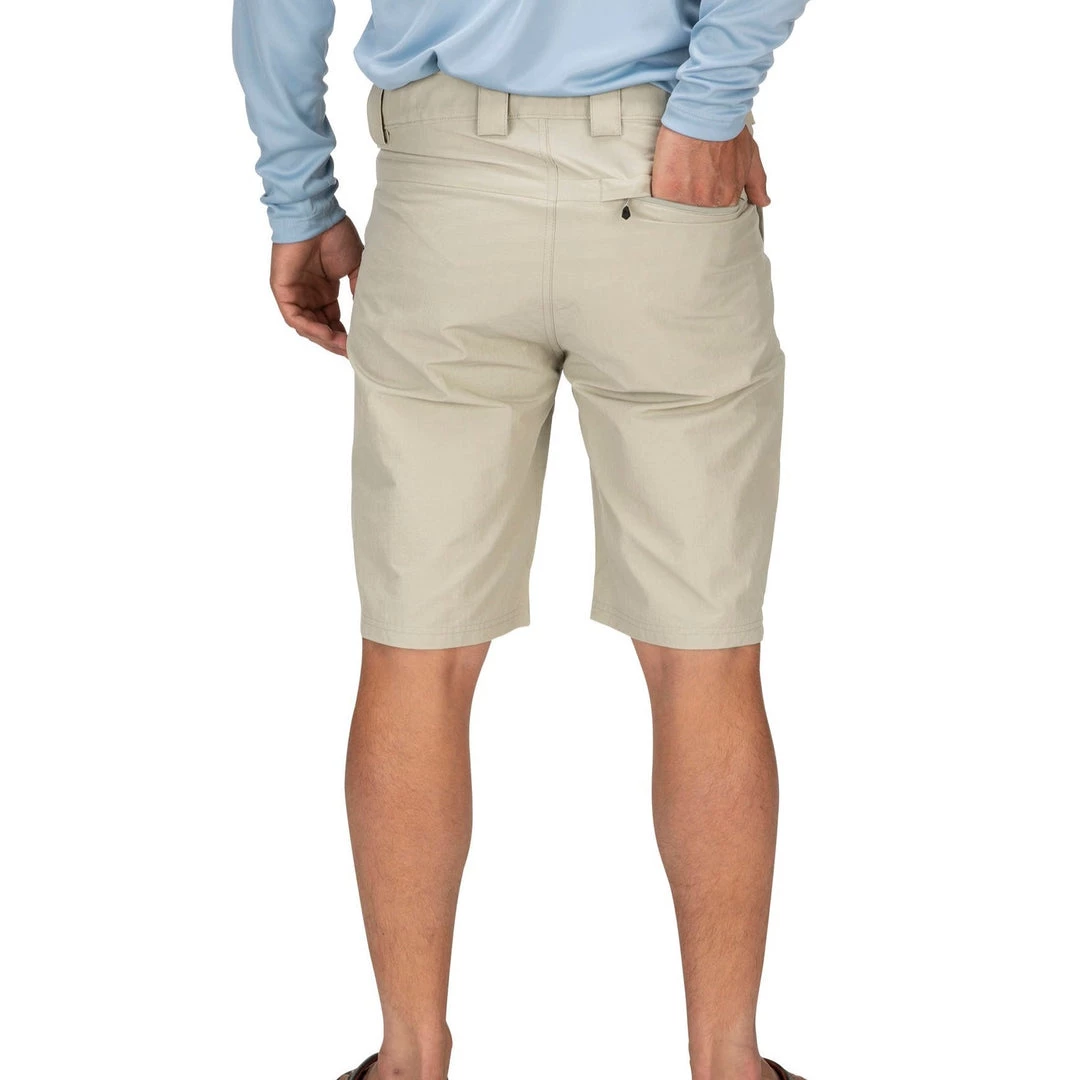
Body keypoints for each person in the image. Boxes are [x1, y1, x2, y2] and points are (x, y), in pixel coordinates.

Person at [232, 3, 811, 1079]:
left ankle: (408, 1062)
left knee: (417, 650)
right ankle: (730, 1065)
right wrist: (710, 108)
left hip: (445, 194)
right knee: (704, 651)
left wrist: (300, 197)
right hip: (664, 176)